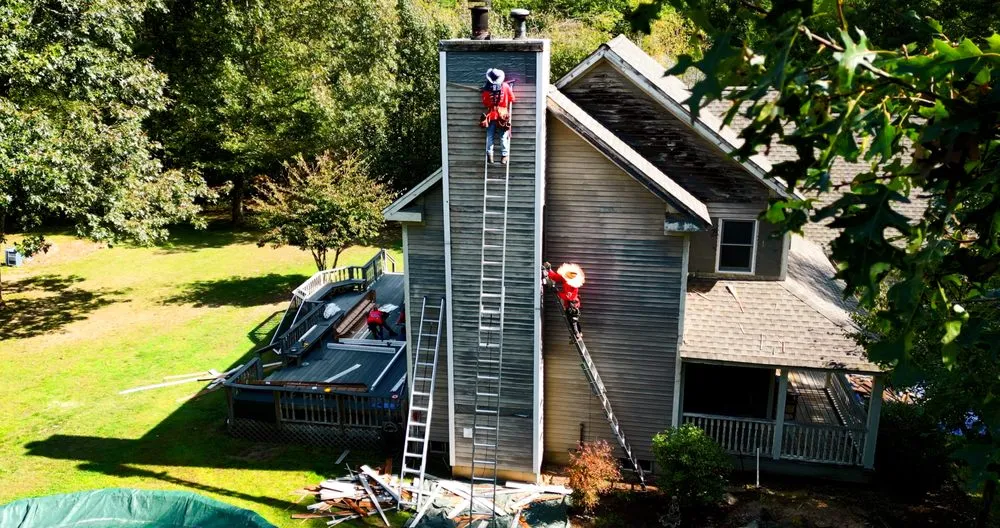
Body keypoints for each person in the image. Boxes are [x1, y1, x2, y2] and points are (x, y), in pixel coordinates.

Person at [480, 68, 516, 165]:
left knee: (490, 136)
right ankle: (504, 156)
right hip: (503, 116)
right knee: (503, 137)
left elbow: (485, 102)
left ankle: (490, 155)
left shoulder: (487, 88)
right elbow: (513, 99)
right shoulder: (505, 86)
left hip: (491, 115)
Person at [544, 261, 585, 338]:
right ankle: (578, 334)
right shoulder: (566, 279)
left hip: (572, 305)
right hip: (568, 304)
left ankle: (578, 334)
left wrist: (558, 293)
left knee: (573, 320)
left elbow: (568, 296)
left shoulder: (574, 286)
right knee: (571, 320)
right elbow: (555, 277)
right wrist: (549, 270)